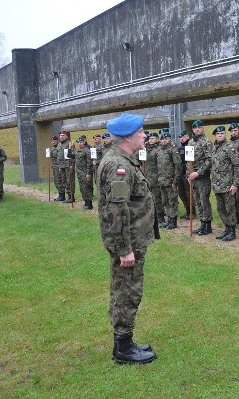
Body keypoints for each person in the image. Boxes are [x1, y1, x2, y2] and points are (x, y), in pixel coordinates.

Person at [97, 112, 157, 365]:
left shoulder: (124, 160)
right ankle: (123, 349)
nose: (144, 135)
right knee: (127, 292)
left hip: (132, 240)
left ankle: (125, 342)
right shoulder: (118, 167)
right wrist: (125, 250)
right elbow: (117, 210)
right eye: (141, 132)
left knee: (126, 290)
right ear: (128, 137)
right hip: (128, 244)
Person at [211, 126, 239, 241]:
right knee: (220, 208)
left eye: (222, 133)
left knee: (230, 208)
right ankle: (227, 228)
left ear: (225, 134)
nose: (220, 135)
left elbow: (238, 166)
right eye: (218, 134)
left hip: (228, 185)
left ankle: (232, 231)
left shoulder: (230, 147)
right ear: (215, 136)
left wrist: (235, 184)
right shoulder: (215, 149)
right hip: (217, 185)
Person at [187, 120, 213, 235]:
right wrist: (189, 174)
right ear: (192, 129)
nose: (197, 129)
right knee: (197, 200)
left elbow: (209, 160)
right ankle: (202, 223)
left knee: (204, 200)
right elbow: (189, 160)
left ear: (203, 129)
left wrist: (198, 172)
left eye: (199, 127)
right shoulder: (191, 142)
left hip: (203, 177)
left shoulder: (206, 142)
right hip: (193, 177)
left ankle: (207, 225)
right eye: (195, 128)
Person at [156, 131, 181, 230]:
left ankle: (173, 221)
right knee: (165, 201)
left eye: (166, 138)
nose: (164, 140)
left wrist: (175, 181)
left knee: (172, 201)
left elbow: (178, 166)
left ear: (170, 139)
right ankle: (169, 219)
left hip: (170, 181)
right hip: (162, 180)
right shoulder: (160, 150)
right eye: (162, 139)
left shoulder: (172, 149)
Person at [144, 132, 164, 225]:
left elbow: (160, 164)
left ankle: (160, 215)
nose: (150, 140)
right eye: (149, 138)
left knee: (157, 198)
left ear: (157, 139)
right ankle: (152, 214)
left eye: (153, 138)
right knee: (150, 197)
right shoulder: (146, 149)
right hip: (148, 176)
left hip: (156, 177)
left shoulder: (159, 149)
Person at [73, 136, 94, 209]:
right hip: (79, 173)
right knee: (82, 188)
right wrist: (70, 148)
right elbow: (70, 156)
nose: (79, 144)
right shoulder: (77, 150)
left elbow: (89, 163)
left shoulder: (87, 151)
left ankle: (89, 204)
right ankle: (86, 202)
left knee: (87, 188)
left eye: (81, 142)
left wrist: (88, 174)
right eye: (78, 142)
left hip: (85, 172)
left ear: (84, 142)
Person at [176, 130, 193, 220]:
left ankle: (192, 212)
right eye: (180, 138)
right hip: (180, 174)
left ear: (187, 137)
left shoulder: (190, 147)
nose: (181, 139)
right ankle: (187, 210)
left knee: (188, 193)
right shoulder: (179, 148)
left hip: (187, 174)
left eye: (183, 137)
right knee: (182, 194)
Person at [57, 131, 75, 203]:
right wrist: (59, 166)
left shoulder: (69, 144)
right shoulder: (59, 145)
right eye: (61, 135)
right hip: (62, 166)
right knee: (64, 181)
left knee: (70, 180)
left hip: (68, 165)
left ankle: (71, 196)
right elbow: (58, 156)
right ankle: (67, 196)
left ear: (67, 136)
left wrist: (72, 165)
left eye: (63, 135)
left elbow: (73, 155)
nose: (61, 137)